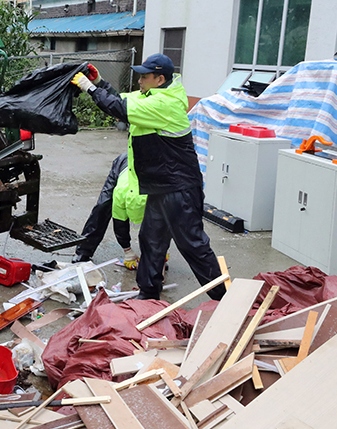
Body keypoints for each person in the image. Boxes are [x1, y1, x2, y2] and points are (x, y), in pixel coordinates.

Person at [71, 55, 226, 300]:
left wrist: (88, 88)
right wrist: (98, 82)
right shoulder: (150, 96)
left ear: (160, 79)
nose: (140, 80)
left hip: (179, 187)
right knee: (151, 238)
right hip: (160, 187)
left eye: (144, 76)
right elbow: (121, 99)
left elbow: (120, 109)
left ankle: (223, 298)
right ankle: (148, 293)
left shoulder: (165, 104)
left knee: (192, 244)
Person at [72, 153, 146, 269]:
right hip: (124, 164)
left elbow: (163, 227)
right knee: (103, 206)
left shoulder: (158, 198)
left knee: (157, 227)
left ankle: (153, 257)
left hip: (151, 170)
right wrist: (128, 251)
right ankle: (84, 251)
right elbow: (119, 224)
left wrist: (159, 254)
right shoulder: (120, 195)